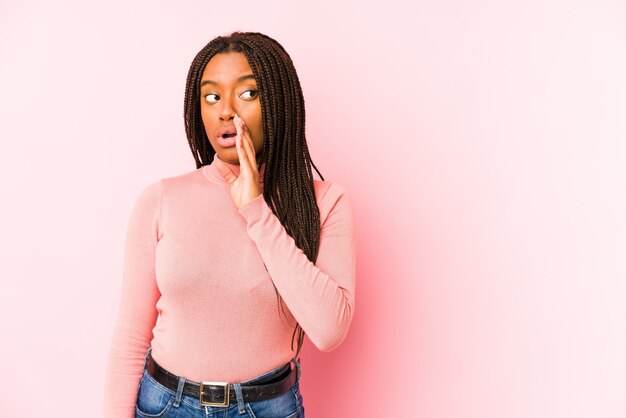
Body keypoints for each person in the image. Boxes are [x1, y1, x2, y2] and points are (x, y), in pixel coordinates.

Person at [103, 31, 357, 418]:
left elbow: (328, 330)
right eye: (211, 96)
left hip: (268, 407)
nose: (226, 111)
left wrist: (255, 209)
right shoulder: (160, 200)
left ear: (279, 101)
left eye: (248, 93)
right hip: (166, 405)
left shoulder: (325, 203)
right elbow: (129, 339)